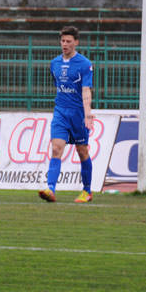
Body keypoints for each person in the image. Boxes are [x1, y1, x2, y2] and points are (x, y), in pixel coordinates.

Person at [38, 26, 95, 203]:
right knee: (56, 149)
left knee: (82, 151)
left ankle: (87, 191)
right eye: (63, 41)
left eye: (68, 41)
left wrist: (88, 114)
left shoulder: (84, 64)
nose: (65, 44)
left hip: (78, 114)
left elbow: (86, 90)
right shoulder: (54, 63)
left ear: (76, 42)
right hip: (60, 112)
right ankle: (51, 189)